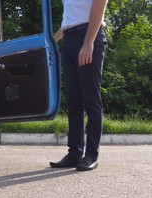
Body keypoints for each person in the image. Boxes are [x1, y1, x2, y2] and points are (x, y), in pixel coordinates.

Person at [50, 0, 108, 171]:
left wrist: (88, 42)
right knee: (74, 102)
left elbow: (100, 4)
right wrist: (52, 42)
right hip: (69, 39)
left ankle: (91, 155)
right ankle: (74, 153)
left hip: (88, 35)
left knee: (91, 100)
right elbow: (69, 21)